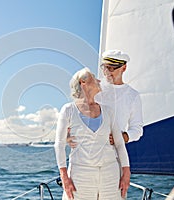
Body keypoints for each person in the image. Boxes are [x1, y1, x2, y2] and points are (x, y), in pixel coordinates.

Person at [54, 67, 130, 200]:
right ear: (83, 82)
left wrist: (126, 172)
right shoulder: (68, 110)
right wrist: (64, 178)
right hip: (81, 175)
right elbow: (59, 145)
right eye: (94, 77)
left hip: (110, 175)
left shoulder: (108, 111)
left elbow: (119, 144)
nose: (99, 80)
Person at [68, 50, 143, 147]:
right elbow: (74, 113)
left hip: (113, 154)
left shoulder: (133, 95)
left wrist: (123, 137)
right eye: (104, 67)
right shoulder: (95, 87)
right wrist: (68, 136)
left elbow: (137, 129)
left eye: (111, 68)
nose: (106, 72)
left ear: (123, 68)